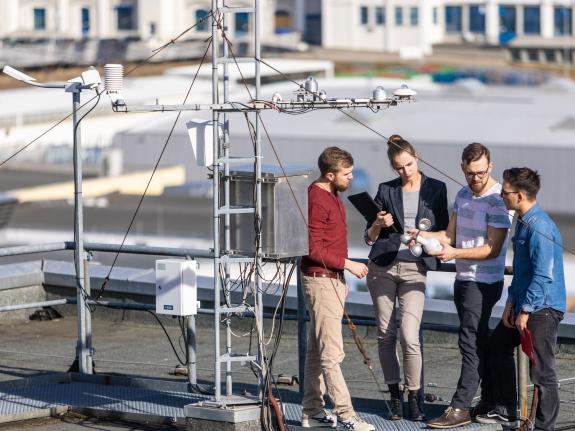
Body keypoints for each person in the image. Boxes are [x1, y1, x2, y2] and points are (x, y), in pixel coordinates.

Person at [416, 143, 512, 429]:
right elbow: (449, 235)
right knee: (478, 341)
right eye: (471, 173)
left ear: (490, 167)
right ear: (463, 169)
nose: (476, 178)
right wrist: (420, 236)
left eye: (481, 172)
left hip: (482, 282)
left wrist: (455, 253)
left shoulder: (497, 200)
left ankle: (460, 406)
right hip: (463, 279)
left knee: (469, 342)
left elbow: (492, 249)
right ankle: (490, 400)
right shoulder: (462, 194)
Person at [364, 135, 449, 421]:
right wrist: (378, 223)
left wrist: (423, 236)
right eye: (399, 168)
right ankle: (394, 396)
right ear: (393, 167)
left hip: (416, 268)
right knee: (385, 335)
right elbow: (369, 237)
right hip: (383, 268)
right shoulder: (385, 190)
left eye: (409, 164)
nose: (406, 171)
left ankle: (414, 395)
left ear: (418, 158)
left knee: (409, 336)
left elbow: (445, 232)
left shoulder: (437, 188)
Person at [476, 168, 566, 430]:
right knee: (497, 345)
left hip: (543, 308)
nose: (502, 196)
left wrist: (525, 310)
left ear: (520, 195)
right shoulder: (524, 220)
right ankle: (505, 409)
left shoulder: (540, 226)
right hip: (524, 304)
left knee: (542, 370)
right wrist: (510, 304)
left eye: (505, 193)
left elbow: (542, 274)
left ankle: (542, 426)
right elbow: (522, 270)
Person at [300, 147, 374, 431]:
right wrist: (348, 265)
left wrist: (340, 276)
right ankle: (346, 415)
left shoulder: (332, 195)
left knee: (318, 352)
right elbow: (311, 248)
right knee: (332, 354)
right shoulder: (318, 199)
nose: (351, 178)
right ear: (330, 175)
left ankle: (312, 411)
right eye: (346, 173)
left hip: (330, 279)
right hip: (321, 280)